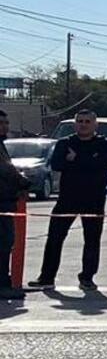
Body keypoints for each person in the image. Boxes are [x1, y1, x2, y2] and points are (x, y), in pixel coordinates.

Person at [28, 109, 107, 291]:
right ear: (75, 124)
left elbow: (102, 165)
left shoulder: (105, 144)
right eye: (80, 121)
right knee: (54, 238)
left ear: (95, 125)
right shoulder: (65, 143)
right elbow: (57, 164)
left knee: (92, 240)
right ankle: (46, 277)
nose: (83, 125)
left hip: (94, 198)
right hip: (67, 198)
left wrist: (76, 159)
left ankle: (87, 277)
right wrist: (86, 161)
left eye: (87, 122)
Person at [0, 110, 29, 300]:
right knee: (3, 244)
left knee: (6, 243)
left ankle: (5, 281)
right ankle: (2, 285)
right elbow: (6, 170)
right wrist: (23, 182)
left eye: (6, 122)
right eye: (1, 123)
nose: (5, 126)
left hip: (7, 201)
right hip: (1, 204)